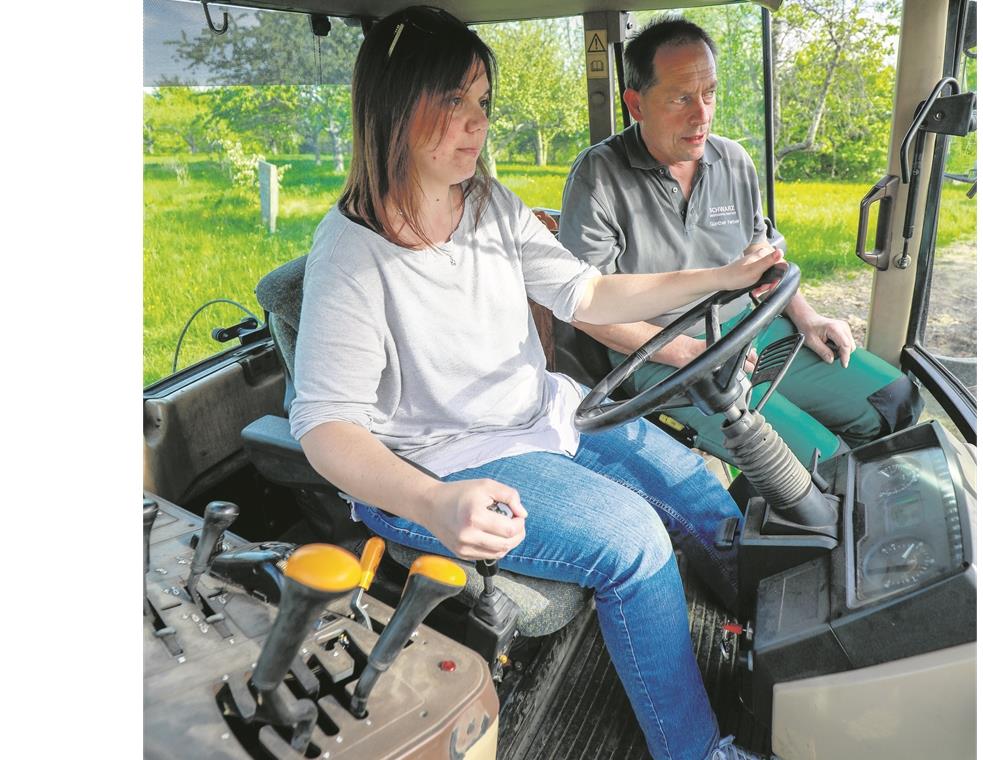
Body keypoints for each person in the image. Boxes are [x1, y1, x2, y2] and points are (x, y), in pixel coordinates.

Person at [289, 7, 767, 759]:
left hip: (548, 416)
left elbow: (587, 295)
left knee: (704, 498)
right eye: (453, 101)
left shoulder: (488, 204)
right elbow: (325, 427)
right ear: (391, 104)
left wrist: (725, 277)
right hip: (444, 465)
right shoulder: (351, 252)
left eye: (482, 103)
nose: (476, 125)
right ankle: (699, 750)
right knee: (634, 540)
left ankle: (767, 652)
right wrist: (431, 502)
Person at [559, 16, 923, 468]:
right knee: (818, 460)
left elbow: (764, 258)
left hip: (753, 329)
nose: (702, 114)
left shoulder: (733, 160)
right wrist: (691, 351)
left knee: (894, 401)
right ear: (636, 104)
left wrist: (808, 319)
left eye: (709, 93)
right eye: (681, 98)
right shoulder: (597, 177)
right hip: (660, 351)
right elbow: (586, 311)